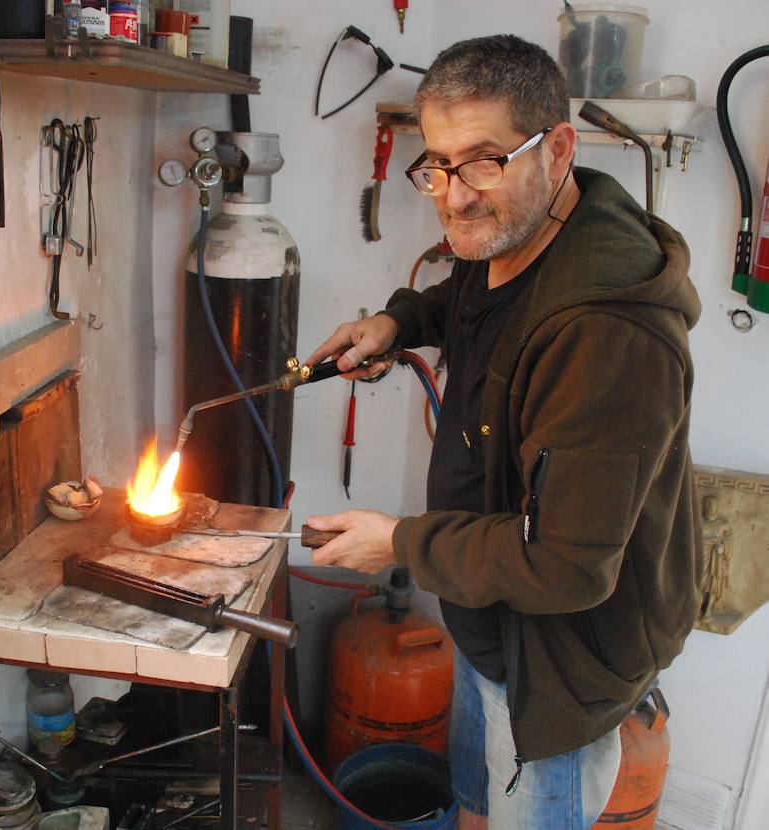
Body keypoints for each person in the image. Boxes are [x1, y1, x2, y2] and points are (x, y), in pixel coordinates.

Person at [304, 35, 703, 830]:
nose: (454, 197)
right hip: (486, 615)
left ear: (557, 150)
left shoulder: (606, 332)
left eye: (485, 162)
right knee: (475, 804)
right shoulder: (518, 231)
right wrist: (399, 322)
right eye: (438, 166)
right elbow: (469, 297)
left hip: (556, 665)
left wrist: (400, 543)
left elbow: (566, 568)